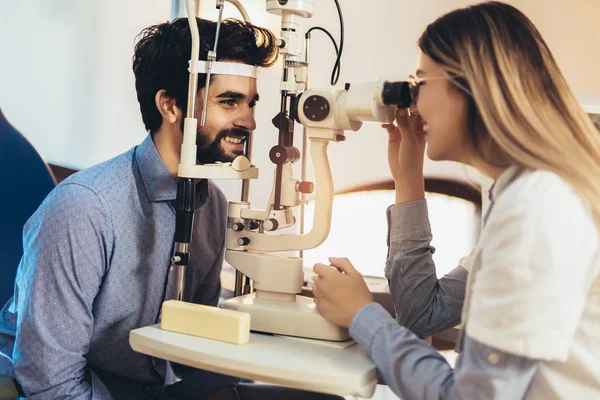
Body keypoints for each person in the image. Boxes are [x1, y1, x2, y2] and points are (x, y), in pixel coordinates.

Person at [0, 17, 339, 400]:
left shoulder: (212, 206)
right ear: (170, 105)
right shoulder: (85, 209)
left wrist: (222, 384)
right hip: (74, 387)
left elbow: (197, 345)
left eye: (251, 103)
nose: (249, 121)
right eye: (229, 102)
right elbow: (49, 381)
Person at [311, 2, 600, 399]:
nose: (413, 103)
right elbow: (422, 313)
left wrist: (363, 316)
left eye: (421, 82)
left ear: (471, 86)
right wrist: (408, 178)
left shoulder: (538, 209)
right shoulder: (519, 192)